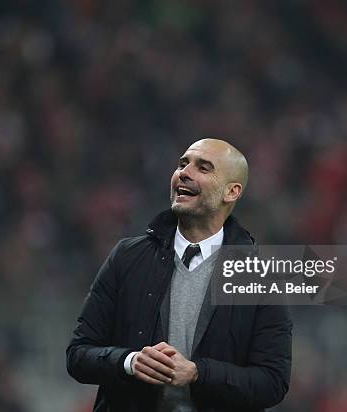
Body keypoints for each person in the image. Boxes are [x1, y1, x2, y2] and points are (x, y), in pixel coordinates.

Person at [67, 138, 292, 412]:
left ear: (231, 192)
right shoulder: (127, 257)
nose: (184, 172)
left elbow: (272, 383)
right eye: (182, 164)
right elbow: (78, 355)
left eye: (203, 167)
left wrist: (198, 373)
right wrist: (129, 361)